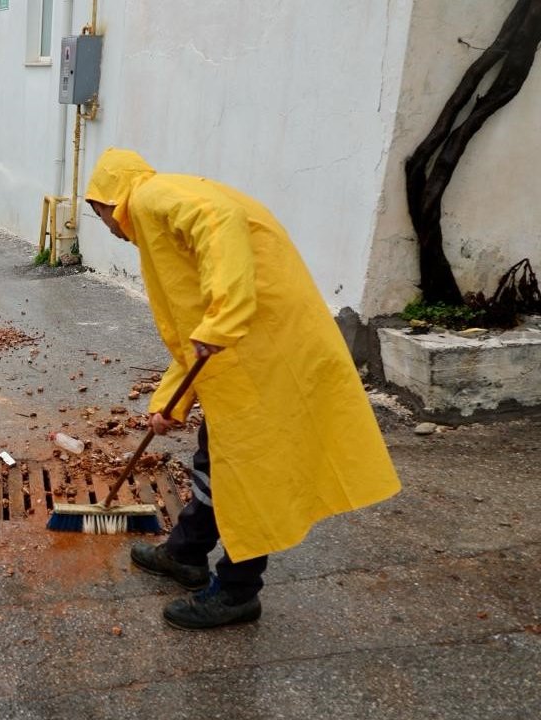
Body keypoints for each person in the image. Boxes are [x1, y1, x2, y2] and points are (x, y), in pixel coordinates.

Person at [84, 148, 401, 630]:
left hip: (265, 355)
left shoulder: (152, 196)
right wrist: (169, 402)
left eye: (98, 213)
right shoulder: (153, 216)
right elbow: (186, 325)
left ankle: (236, 592)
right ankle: (186, 552)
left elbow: (217, 219)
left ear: (107, 201)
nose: (105, 225)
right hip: (241, 356)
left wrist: (225, 315)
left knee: (249, 473)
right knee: (217, 458)